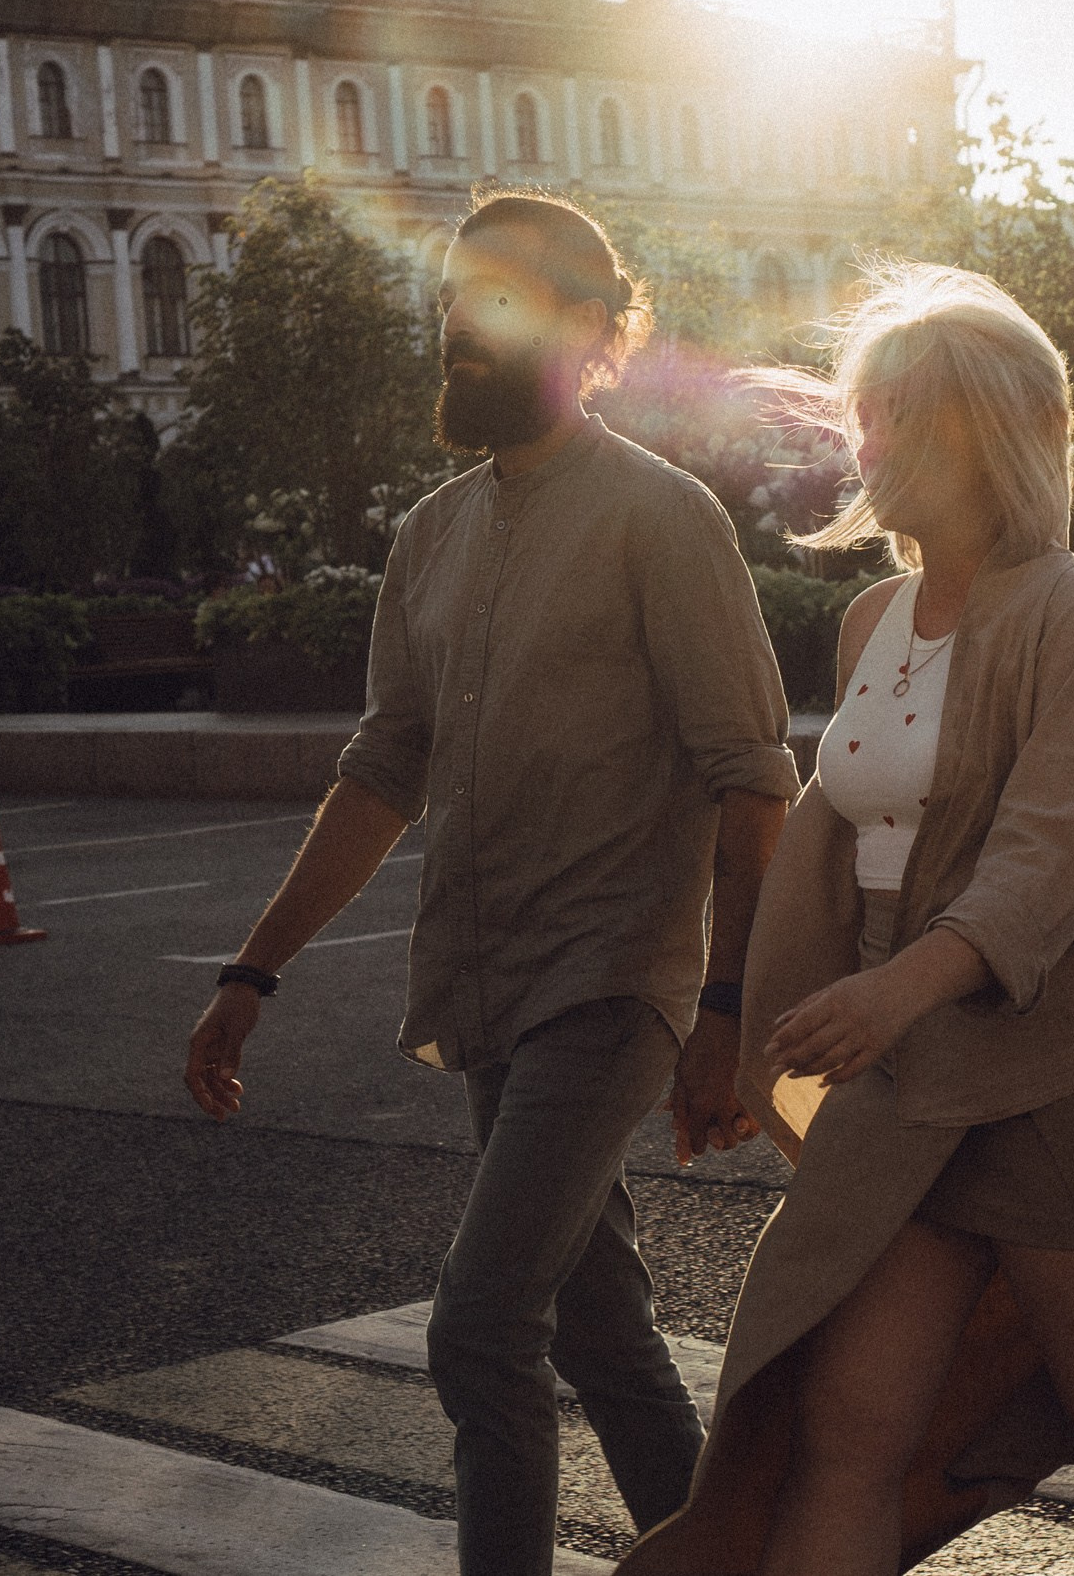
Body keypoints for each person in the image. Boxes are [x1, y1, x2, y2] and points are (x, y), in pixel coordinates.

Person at [184, 190, 800, 1575]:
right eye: (456, 295)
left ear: (589, 328)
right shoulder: (433, 535)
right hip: (488, 987)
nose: (462, 323)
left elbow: (751, 777)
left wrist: (725, 1015)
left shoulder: (663, 517)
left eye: (501, 298)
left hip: (611, 983)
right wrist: (251, 968)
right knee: (602, 1331)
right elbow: (382, 771)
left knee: (478, 1326)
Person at [619, 264, 1074, 1575]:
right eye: (867, 411)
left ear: (989, 430)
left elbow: (1053, 851)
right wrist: (751, 1017)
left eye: (905, 411)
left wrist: (894, 992)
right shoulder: (873, 622)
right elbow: (841, 849)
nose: (871, 440)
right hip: (912, 1088)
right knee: (842, 1428)